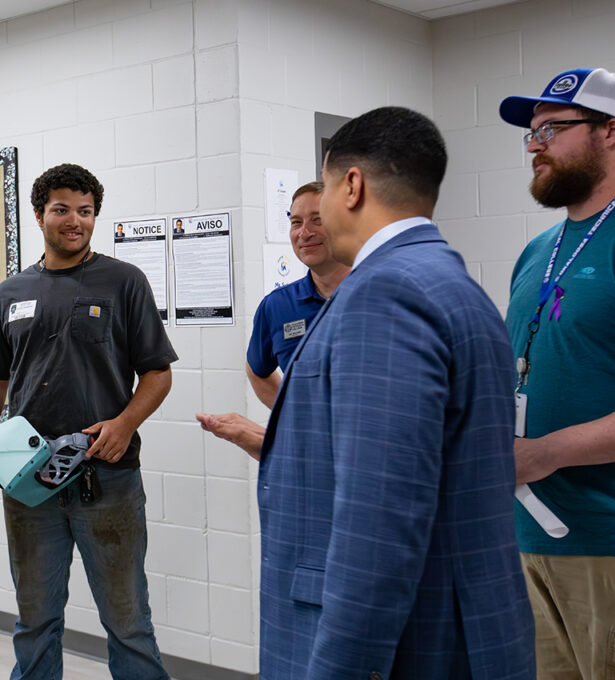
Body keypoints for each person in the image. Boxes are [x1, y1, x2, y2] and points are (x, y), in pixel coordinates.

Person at [216, 108, 535, 678]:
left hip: (410, 640)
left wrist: (341, 667)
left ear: (352, 185)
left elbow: (380, 517)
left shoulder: (385, 293)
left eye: (325, 191)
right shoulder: (450, 282)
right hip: (462, 622)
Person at [0, 163, 177, 680]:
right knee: (35, 620)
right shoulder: (11, 292)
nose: (75, 221)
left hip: (107, 478)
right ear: (40, 215)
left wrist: (124, 424)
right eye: (61, 209)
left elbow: (157, 373)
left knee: (127, 621)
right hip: (29, 480)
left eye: (85, 211)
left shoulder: (124, 282)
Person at [499, 67, 615, 679]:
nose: (535, 145)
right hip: (530, 540)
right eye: (531, 134)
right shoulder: (539, 249)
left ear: (611, 130)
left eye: (552, 129)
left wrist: (545, 452)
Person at [246, 181, 350, 407]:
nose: (304, 233)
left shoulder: (381, 294)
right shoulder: (277, 306)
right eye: (296, 222)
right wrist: (291, 415)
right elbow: (257, 370)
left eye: (318, 219)